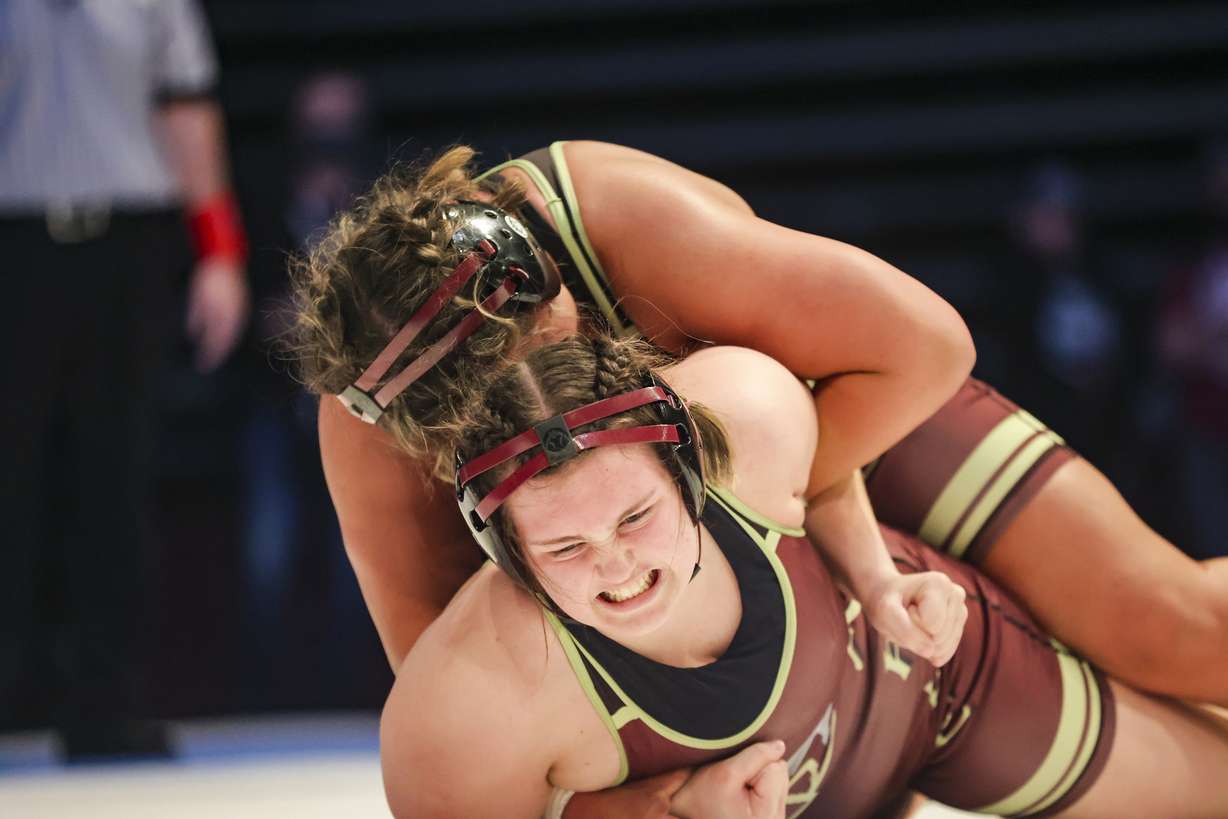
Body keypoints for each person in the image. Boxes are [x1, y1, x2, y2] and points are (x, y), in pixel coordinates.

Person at [290, 142, 1227, 724]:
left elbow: (926, 347)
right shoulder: (372, 424)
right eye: (535, 347)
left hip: (850, 424)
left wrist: (781, 504)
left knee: (1168, 631)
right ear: (449, 417)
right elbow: (447, 699)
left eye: (556, 301)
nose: (563, 323)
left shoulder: (608, 214)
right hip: (672, 582)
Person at [379, 334, 1228, 819]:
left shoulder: (744, 410)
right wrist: (674, 811)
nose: (617, 567)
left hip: (938, 679)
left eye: (635, 518)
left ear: (689, 477)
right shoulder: (466, 710)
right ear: (510, 559)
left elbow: (871, 402)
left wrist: (876, 579)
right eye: (564, 550)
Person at [0, 0, 249, 758]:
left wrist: (220, 252)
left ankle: (102, 705)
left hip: (127, 243)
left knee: (116, 474)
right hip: (14, 245)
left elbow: (187, 110)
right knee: (8, 478)